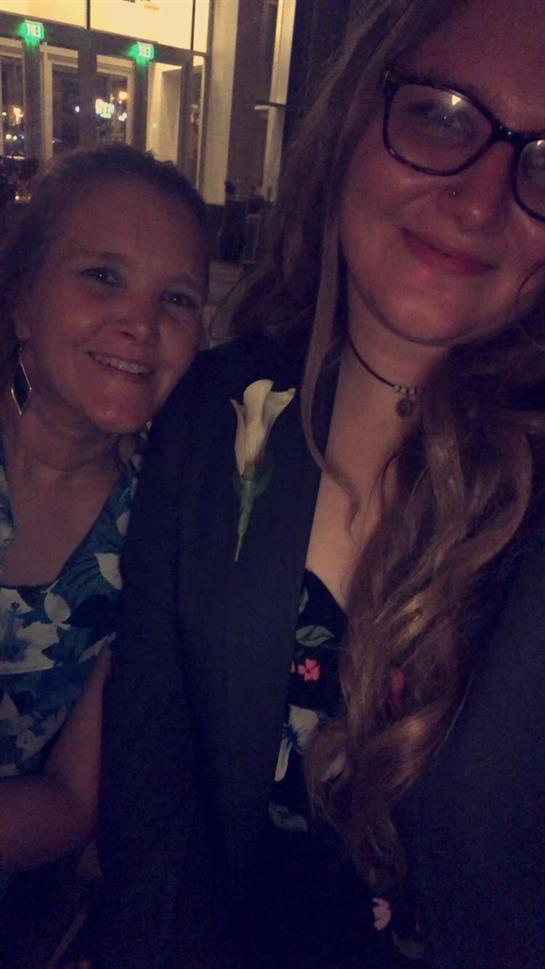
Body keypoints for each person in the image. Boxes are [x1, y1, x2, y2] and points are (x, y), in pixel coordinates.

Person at [69, 0, 545, 966]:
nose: (482, 198)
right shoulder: (213, 415)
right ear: (345, 128)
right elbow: (153, 812)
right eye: (443, 113)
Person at [0, 143, 208, 890]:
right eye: (103, 277)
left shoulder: (159, 534)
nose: (141, 323)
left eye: (177, 298)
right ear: (22, 300)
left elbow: (72, 800)